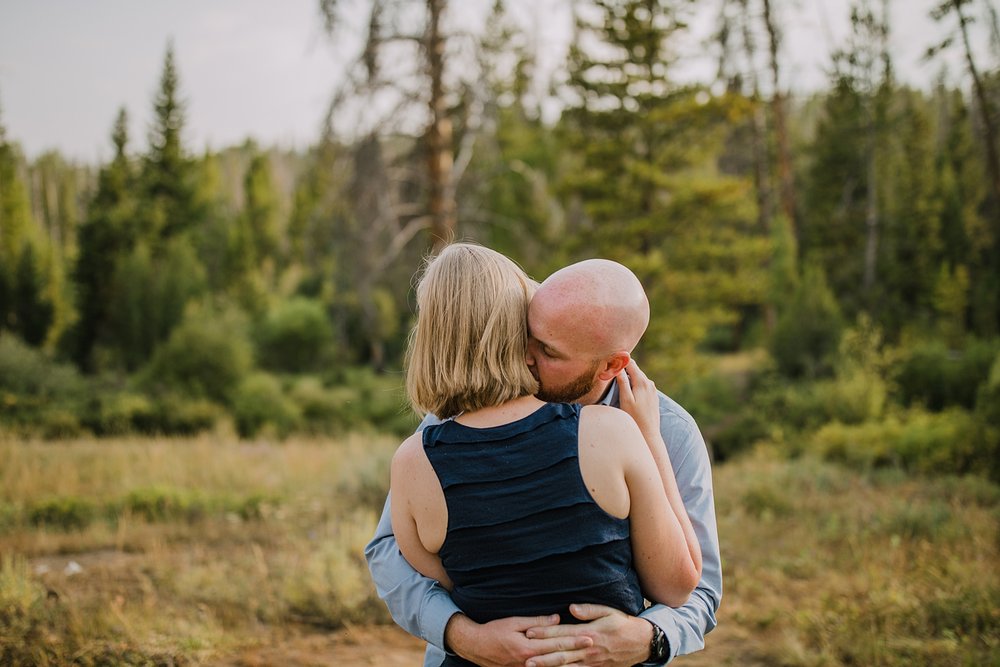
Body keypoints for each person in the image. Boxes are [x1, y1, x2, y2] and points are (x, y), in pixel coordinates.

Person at [367, 253, 722, 667]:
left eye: (549, 352)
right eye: (526, 335)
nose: (526, 359)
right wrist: (463, 634)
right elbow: (392, 552)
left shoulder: (670, 432)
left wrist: (648, 638)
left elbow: (699, 589)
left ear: (611, 364)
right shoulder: (450, 421)